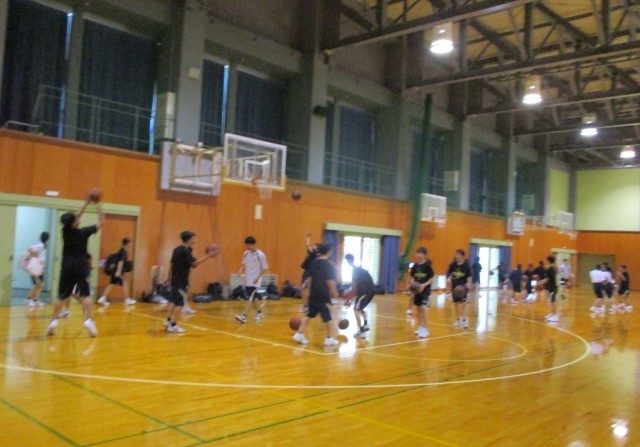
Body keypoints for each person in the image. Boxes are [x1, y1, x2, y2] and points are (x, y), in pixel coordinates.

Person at [47, 199, 104, 337]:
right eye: (76, 219)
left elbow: (75, 217)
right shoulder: (84, 232)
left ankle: (53, 321)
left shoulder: (65, 230)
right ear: (74, 222)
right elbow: (101, 222)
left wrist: (86, 203)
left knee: (61, 295)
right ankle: (90, 320)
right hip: (81, 267)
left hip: (67, 267)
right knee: (86, 294)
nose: (78, 218)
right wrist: (99, 207)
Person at [164, 231, 217, 333]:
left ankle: (167, 321)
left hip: (175, 279)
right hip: (181, 281)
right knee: (179, 303)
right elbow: (194, 264)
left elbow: (172, 263)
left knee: (173, 301)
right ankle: (173, 325)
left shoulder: (177, 249)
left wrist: (169, 277)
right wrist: (208, 256)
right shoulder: (185, 251)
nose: (195, 240)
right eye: (194, 238)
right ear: (189, 239)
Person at [292, 243, 340, 346]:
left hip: (313, 293)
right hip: (323, 294)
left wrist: (310, 292)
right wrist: (335, 292)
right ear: (328, 252)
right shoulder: (328, 265)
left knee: (309, 314)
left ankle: (299, 333)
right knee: (328, 317)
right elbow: (329, 281)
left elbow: (309, 279)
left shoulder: (314, 263)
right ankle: (329, 338)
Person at [235, 236, 269, 323]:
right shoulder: (246, 253)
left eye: (249, 245)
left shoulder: (260, 255)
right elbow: (243, 265)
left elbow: (265, 268)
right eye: (247, 245)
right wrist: (240, 271)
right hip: (248, 280)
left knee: (250, 297)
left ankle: (244, 316)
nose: (248, 247)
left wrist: (258, 277)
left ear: (254, 244)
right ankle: (260, 312)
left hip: (256, 281)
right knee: (253, 298)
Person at [343, 254, 375, 338]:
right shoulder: (361, 269)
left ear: (347, 261)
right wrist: (350, 299)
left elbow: (354, 289)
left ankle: (361, 331)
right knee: (360, 308)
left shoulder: (354, 271)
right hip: (371, 291)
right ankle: (366, 324)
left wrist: (347, 300)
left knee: (356, 309)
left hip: (365, 292)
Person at [98, 238, 135, 306]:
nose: (131, 245)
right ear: (127, 244)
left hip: (115, 270)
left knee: (112, 284)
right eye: (130, 243)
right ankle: (127, 299)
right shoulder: (123, 252)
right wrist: (118, 271)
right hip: (117, 271)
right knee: (125, 284)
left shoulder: (122, 250)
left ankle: (102, 298)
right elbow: (120, 262)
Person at [407, 247, 434, 338]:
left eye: (420, 253)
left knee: (424, 307)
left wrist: (423, 285)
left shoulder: (427, 266)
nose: (418, 255)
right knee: (418, 309)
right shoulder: (414, 265)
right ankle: (420, 327)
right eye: (417, 253)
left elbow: (431, 279)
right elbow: (412, 277)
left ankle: (426, 329)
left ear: (424, 255)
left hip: (425, 290)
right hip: (417, 290)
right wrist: (411, 284)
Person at [21, 231, 49, 307]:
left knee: (40, 285)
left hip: (40, 269)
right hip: (35, 269)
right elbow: (30, 249)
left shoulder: (42, 245)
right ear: (47, 239)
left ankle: (36, 300)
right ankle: (28, 299)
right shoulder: (39, 245)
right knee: (37, 284)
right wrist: (30, 258)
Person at [447, 249, 472, 328]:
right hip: (455, 287)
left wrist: (469, 283)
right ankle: (458, 319)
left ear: (462, 256)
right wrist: (449, 278)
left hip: (463, 288)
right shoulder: (453, 265)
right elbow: (449, 273)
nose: (457, 256)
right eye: (456, 254)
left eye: (458, 255)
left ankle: (464, 320)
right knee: (456, 303)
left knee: (464, 303)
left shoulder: (466, 265)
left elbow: (469, 276)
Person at [299, 232, 318, 313]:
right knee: (308, 290)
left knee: (304, 289)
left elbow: (307, 245)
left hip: (308, 273)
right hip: (310, 273)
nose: (313, 246)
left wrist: (308, 237)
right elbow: (307, 246)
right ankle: (309, 305)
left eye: (315, 246)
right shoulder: (313, 254)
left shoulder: (313, 254)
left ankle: (306, 306)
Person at [539, 255, 559, 322]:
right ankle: (552, 314)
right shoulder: (552, 268)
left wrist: (541, 282)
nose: (546, 261)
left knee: (553, 301)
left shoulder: (550, 269)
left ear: (548, 260)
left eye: (546, 260)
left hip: (553, 287)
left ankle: (555, 316)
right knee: (551, 301)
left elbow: (547, 279)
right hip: (551, 287)